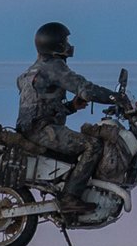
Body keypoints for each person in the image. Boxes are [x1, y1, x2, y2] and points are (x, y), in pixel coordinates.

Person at [16, 21, 121, 213]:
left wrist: (71, 107)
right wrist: (116, 98)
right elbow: (86, 89)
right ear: (54, 44)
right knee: (93, 145)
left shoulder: (30, 71)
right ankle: (70, 197)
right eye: (64, 41)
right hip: (42, 130)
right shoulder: (53, 66)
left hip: (32, 128)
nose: (68, 45)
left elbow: (41, 107)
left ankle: (69, 188)